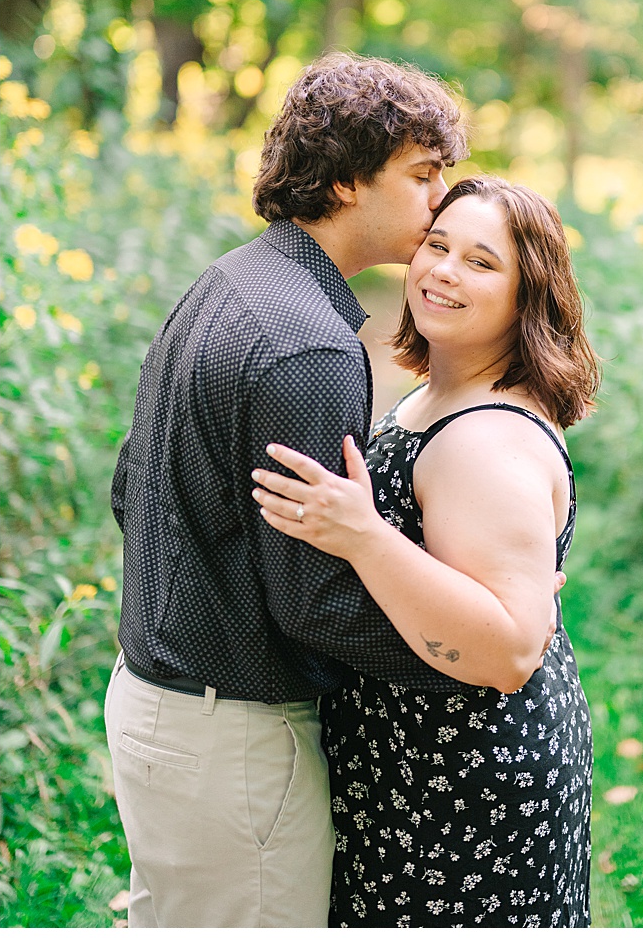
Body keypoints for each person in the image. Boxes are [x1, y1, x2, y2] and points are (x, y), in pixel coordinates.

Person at [106, 52, 476, 927]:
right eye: (423, 176)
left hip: (152, 706)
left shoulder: (230, 280)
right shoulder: (309, 344)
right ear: (347, 180)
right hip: (230, 738)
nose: (439, 203)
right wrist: (469, 659)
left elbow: (130, 486)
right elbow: (314, 603)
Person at [251, 175, 597, 926]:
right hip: (413, 763)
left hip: (467, 781)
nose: (443, 271)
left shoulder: (485, 438)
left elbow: (507, 650)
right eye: (437, 246)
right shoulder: (440, 394)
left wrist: (363, 535)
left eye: (481, 262)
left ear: (527, 294)